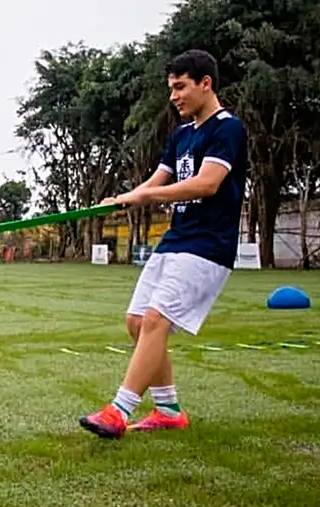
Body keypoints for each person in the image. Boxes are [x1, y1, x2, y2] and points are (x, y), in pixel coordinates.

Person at [79, 49, 248, 439]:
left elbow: (207, 184)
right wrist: (122, 198)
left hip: (208, 245)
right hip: (176, 240)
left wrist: (143, 199)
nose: (173, 96)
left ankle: (119, 411)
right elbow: (157, 179)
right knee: (137, 323)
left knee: (156, 320)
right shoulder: (181, 135)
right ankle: (169, 409)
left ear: (206, 84)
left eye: (180, 87)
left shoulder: (227, 128)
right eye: (171, 88)